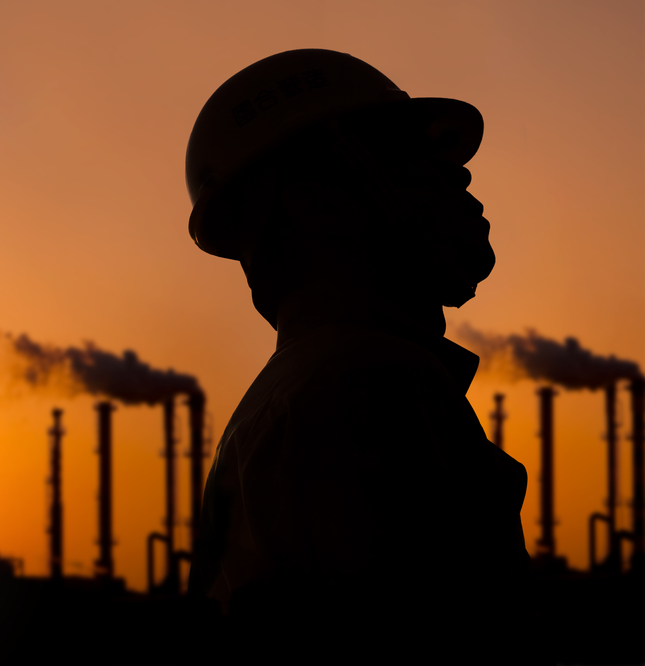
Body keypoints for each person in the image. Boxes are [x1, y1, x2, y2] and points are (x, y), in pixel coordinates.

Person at [185, 50, 534, 663]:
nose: (459, 176)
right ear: (321, 202)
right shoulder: (372, 384)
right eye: (413, 155)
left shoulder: (294, 394)